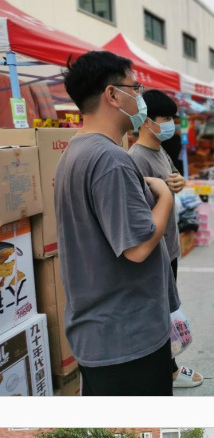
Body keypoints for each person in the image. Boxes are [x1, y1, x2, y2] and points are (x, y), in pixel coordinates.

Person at [54, 51, 176, 397]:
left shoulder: (76, 151)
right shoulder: (111, 159)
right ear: (112, 95)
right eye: (135, 88)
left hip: (102, 332)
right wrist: (165, 197)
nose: (140, 98)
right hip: (126, 336)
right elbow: (138, 247)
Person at [128, 88, 203, 390]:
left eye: (173, 117)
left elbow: (171, 181)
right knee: (160, 313)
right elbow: (142, 210)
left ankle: (167, 366)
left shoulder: (160, 150)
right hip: (155, 250)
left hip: (169, 247)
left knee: (168, 309)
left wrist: (179, 182)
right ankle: (167, 371)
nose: (172, 123)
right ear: (147, 121)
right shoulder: (136, 158)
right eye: (166, 118)